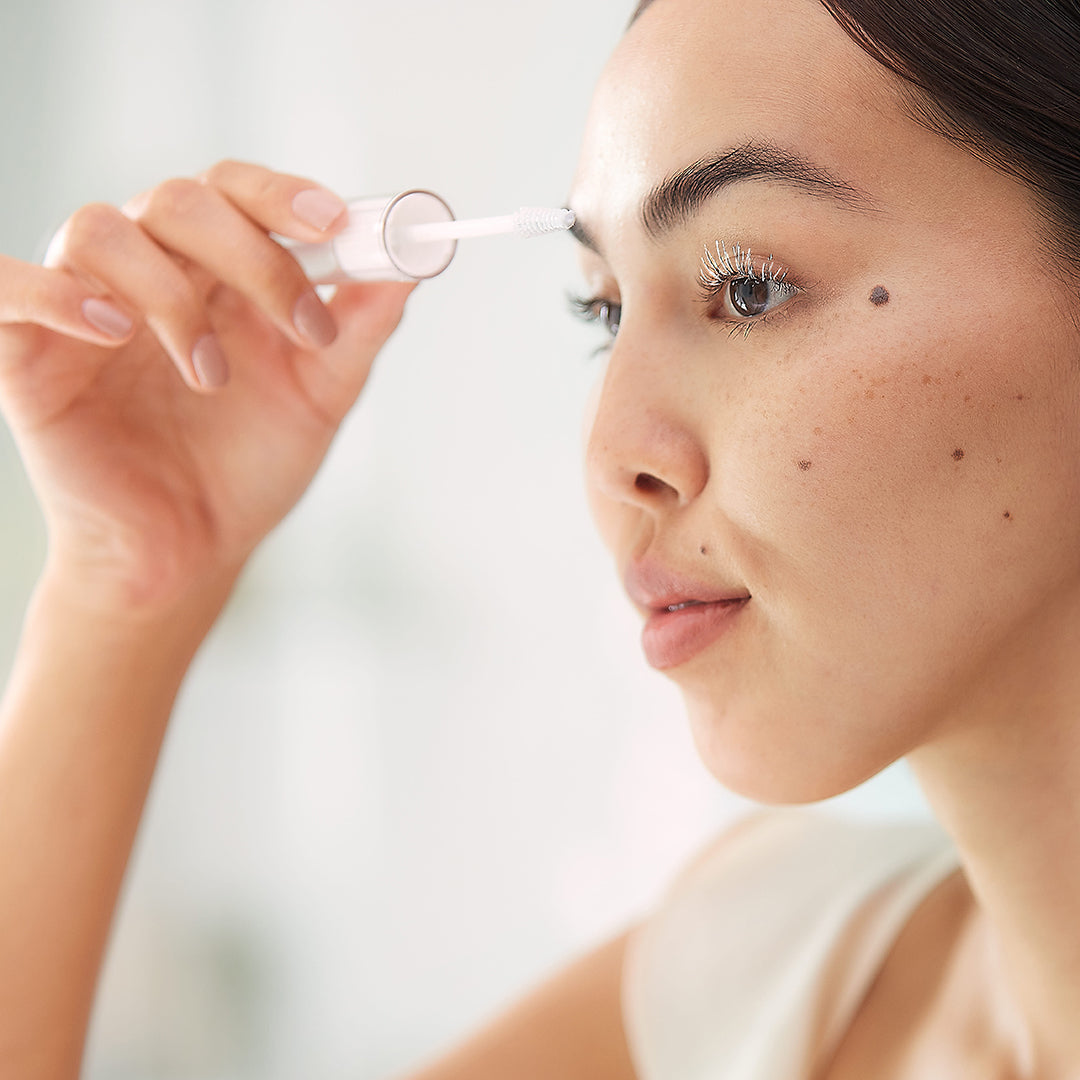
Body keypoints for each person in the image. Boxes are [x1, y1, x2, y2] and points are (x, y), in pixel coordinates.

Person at [2, 0, 1079, 1075]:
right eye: (604, 312)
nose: (613, 451)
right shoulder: (768, 961)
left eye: (747, 288)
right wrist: (125, 585)